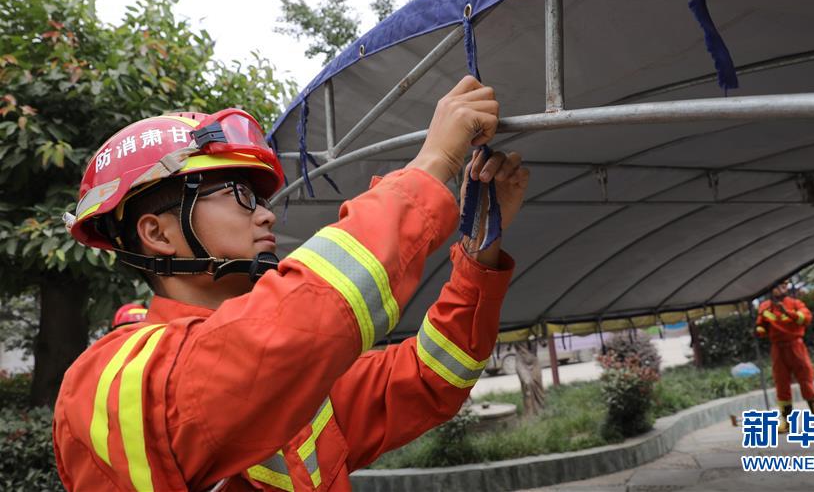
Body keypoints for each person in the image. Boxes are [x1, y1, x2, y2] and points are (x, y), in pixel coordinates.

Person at [53, 75, 530, 491]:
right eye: (239, 194)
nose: (264, 213)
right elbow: (294, 324)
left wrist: (478, 251)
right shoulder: (108, 381)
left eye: (261, 197)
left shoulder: (301, 377)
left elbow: (433, 378)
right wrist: (432, 164)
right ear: (157, 233)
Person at [755, 281, 814, 434]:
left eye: (782, 286)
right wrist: (759, 330)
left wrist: (787, 312)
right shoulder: (765, 306)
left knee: (806, 382)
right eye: (776, 287)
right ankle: (786, 423)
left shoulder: (796, 303)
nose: (779, 289)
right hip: (778, 349)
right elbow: (761, 325)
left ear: (786, 287)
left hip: (796, 346)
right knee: (781, 385)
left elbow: (806, 319)